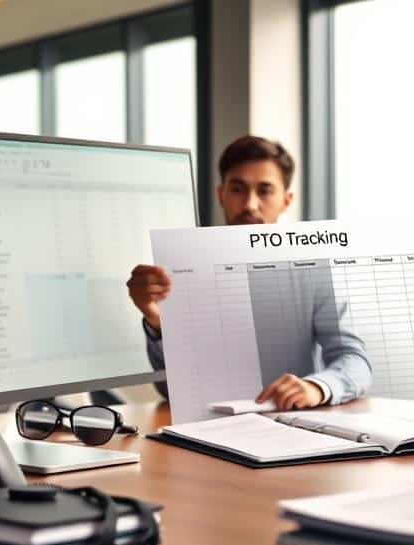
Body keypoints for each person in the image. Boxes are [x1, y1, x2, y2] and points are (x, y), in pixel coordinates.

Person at [127, 135, 371, 410]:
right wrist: (157, 322)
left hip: (295, 422)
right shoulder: (183, 269)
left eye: (264, 191)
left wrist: (318, 387)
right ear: (221, 194)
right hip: (212, 425)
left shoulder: (312, 269)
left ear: (286, 200)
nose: (250, 204)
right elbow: (168, 390)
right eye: (238, 189)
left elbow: (356, 362)